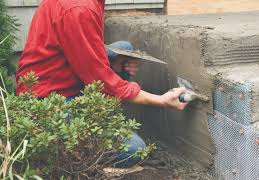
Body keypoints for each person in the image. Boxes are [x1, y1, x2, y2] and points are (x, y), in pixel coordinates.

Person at [16, 0, 188, 168]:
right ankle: (72, 152)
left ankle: (102, 118)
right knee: (134, 150)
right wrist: (161, 100)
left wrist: (108, 64)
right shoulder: (80, 8)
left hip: (59, 74)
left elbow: (83, 53)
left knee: (123, 47)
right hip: (48, 100)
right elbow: (102, 81)